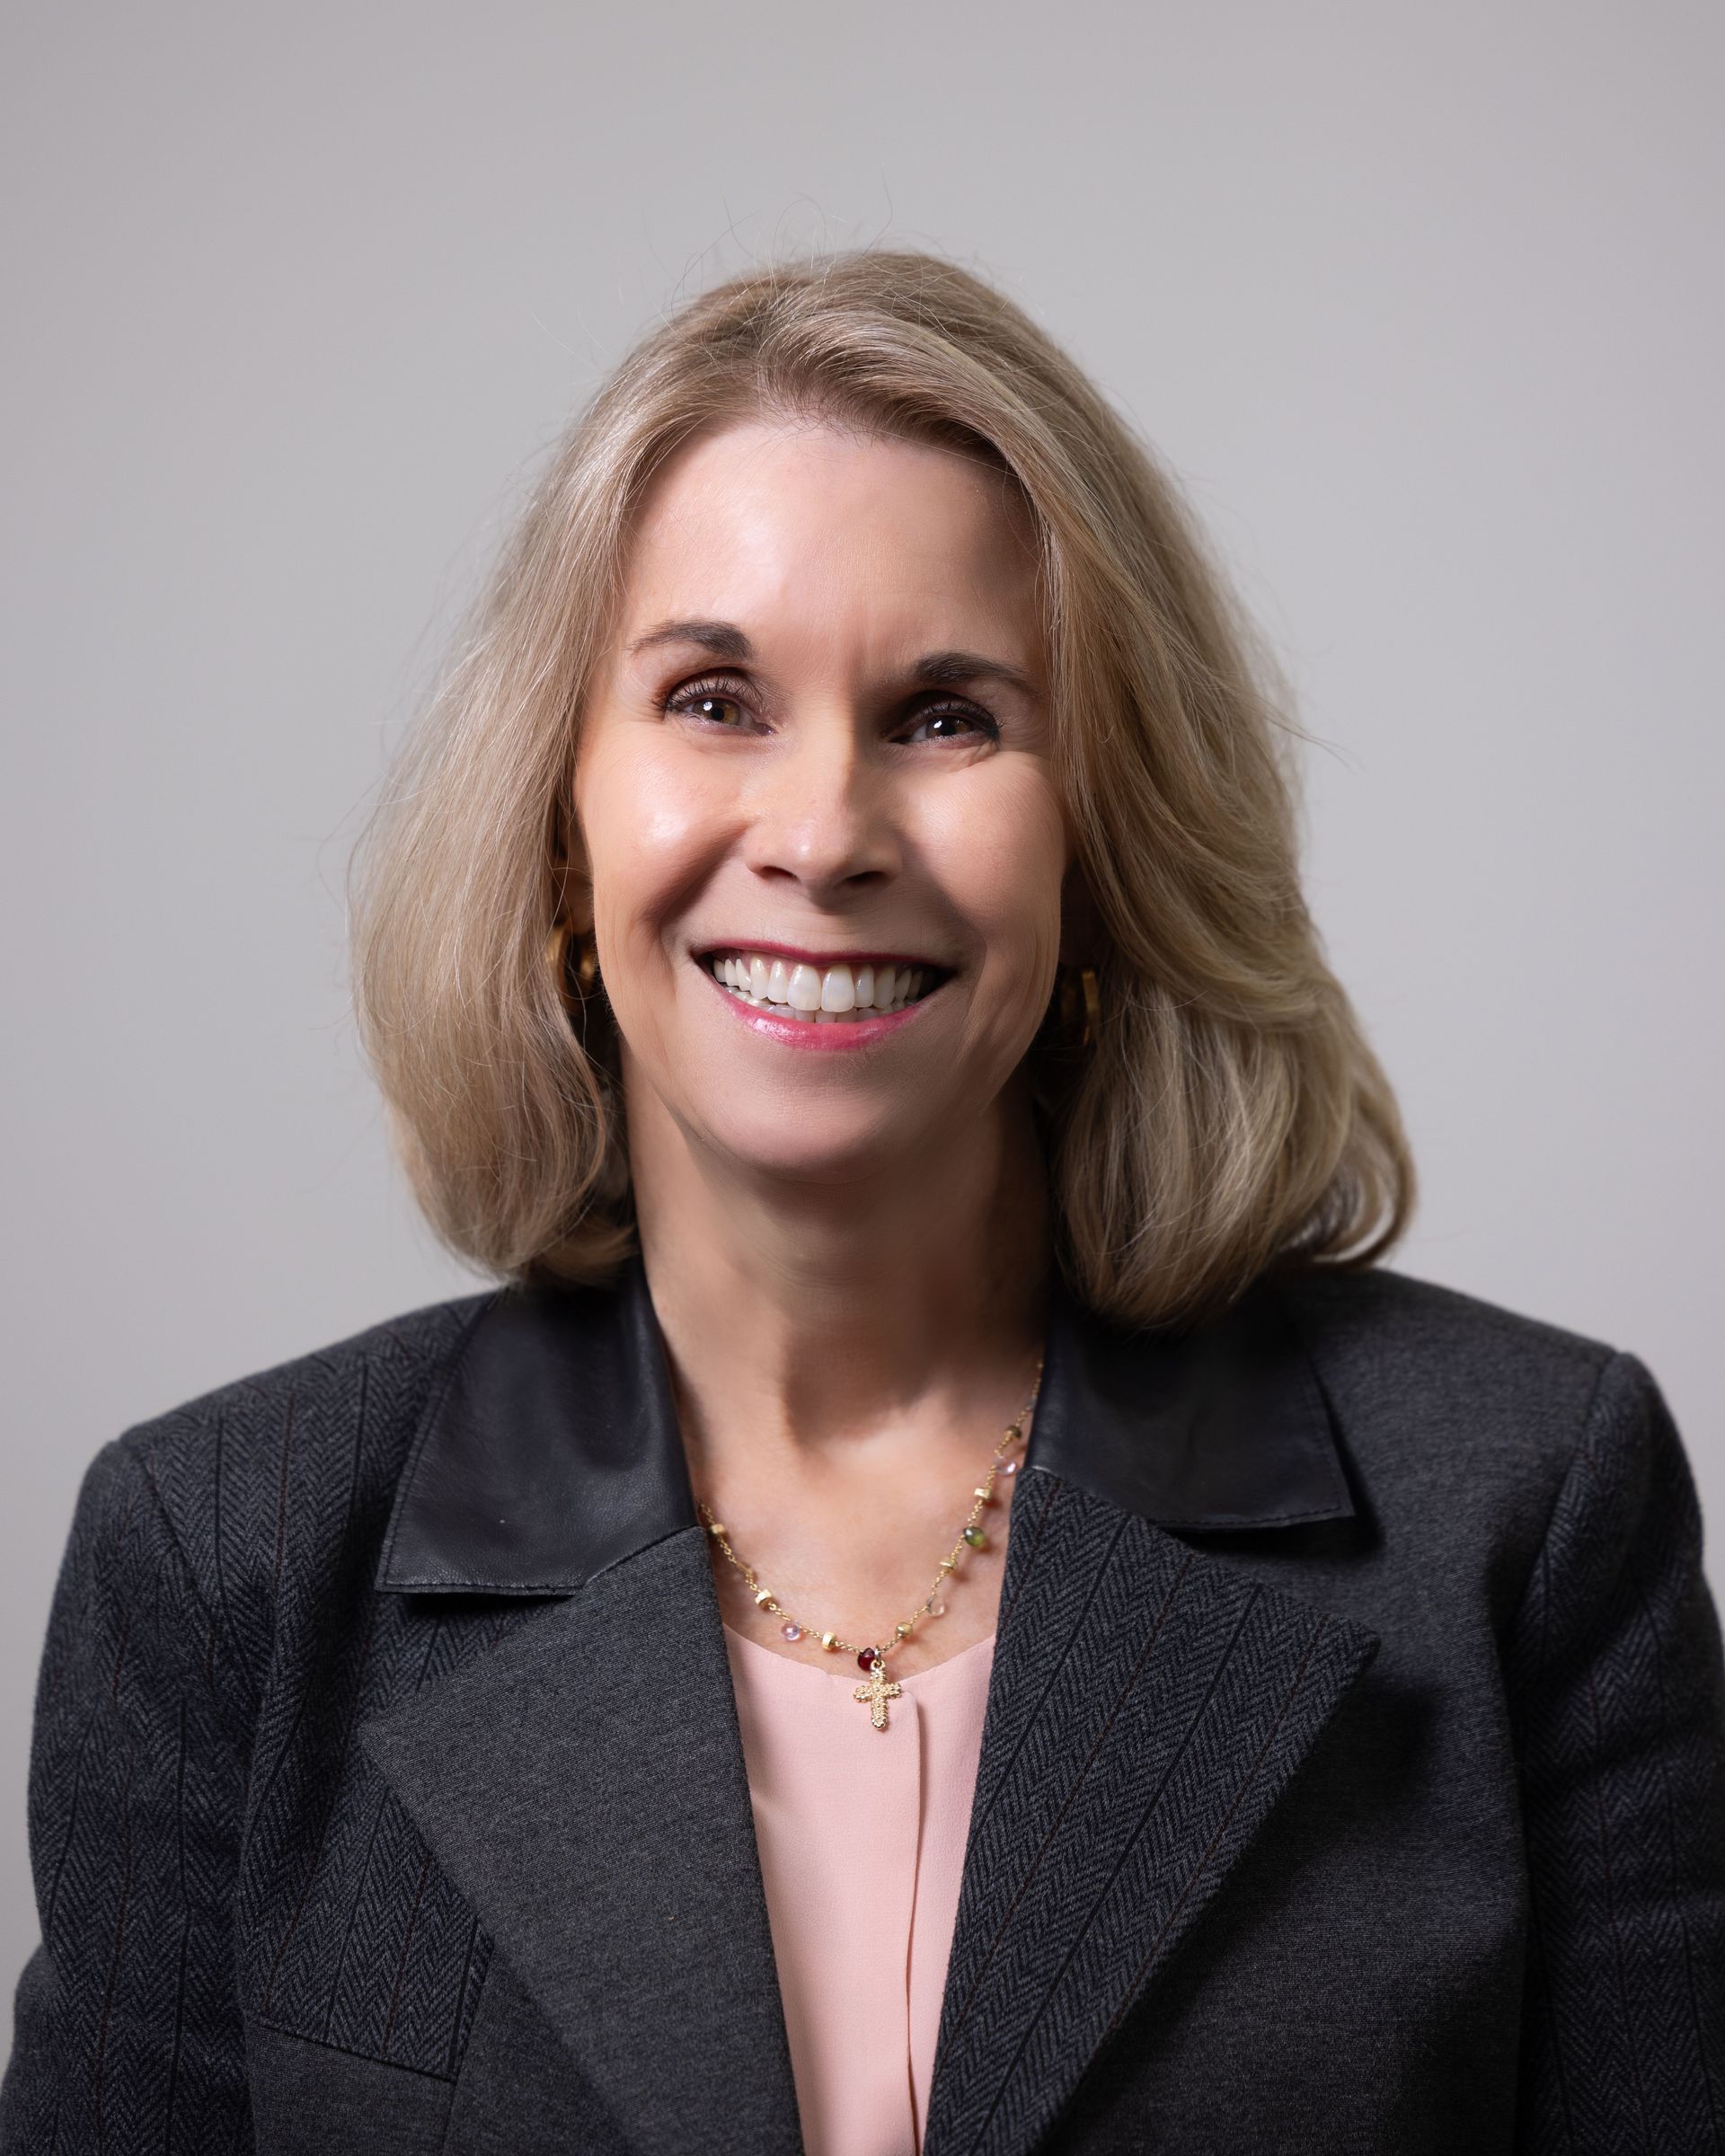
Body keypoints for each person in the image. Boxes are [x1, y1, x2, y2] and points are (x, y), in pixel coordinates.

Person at [3, 251, 1721, 2156]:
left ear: (1104, 838)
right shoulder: (223, 1566)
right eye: (715, 697)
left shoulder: (1531, 1514)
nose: (822, 834)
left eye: (946, 716)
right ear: (562, 834)